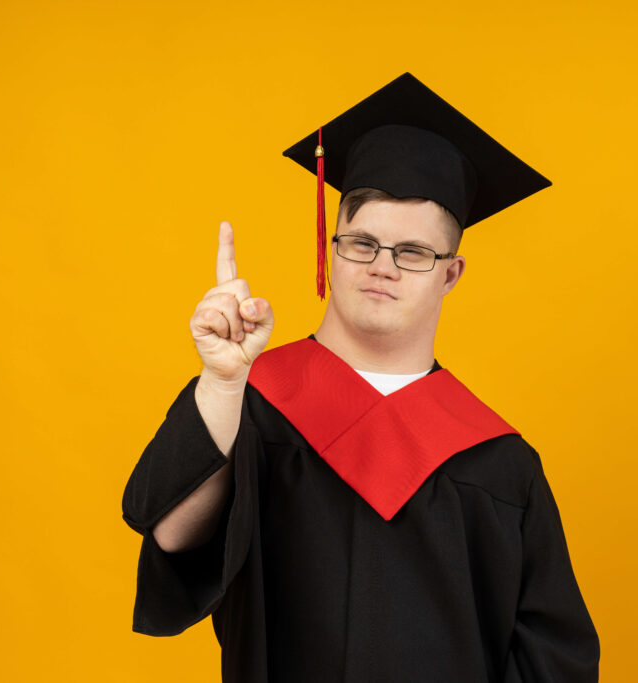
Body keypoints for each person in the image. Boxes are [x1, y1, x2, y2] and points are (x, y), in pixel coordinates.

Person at [122, 73, 600, 682]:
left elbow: (552, 660)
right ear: (333, 246)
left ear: (450, 275)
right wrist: (219, 385)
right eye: (363, 242)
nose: (383, 267)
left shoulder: (499, 463)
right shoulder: (255, 399)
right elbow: (171, 534)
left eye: (413, 252)